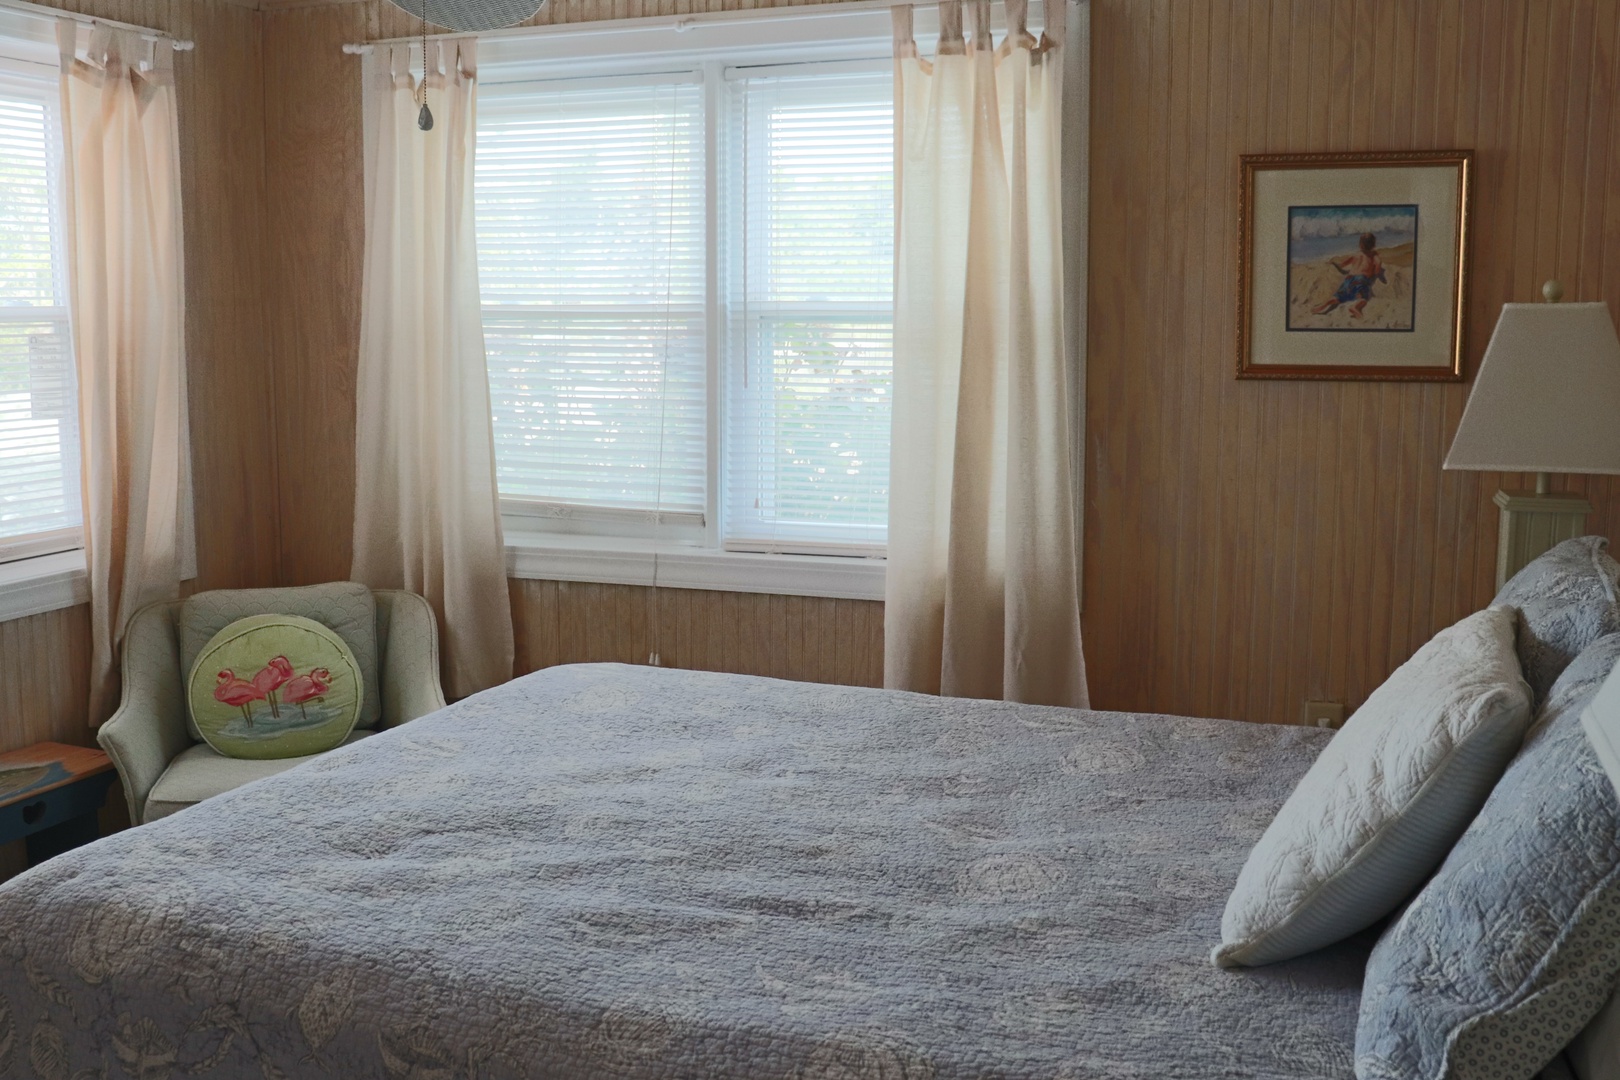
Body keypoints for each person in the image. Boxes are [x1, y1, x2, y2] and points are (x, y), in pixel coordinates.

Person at [1312, 232, 1386, 319]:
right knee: (1363, 298)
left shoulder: (1356, 255)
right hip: (1361, 279)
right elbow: (1378, 265)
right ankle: (1355, 307)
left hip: (1349, 278)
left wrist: (1334, 263)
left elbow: (1342, 265)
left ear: (1360, 245)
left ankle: (1324, 305)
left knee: (1338, 297)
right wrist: (1376, 272)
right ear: (1374, 244)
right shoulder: (1374, 255)